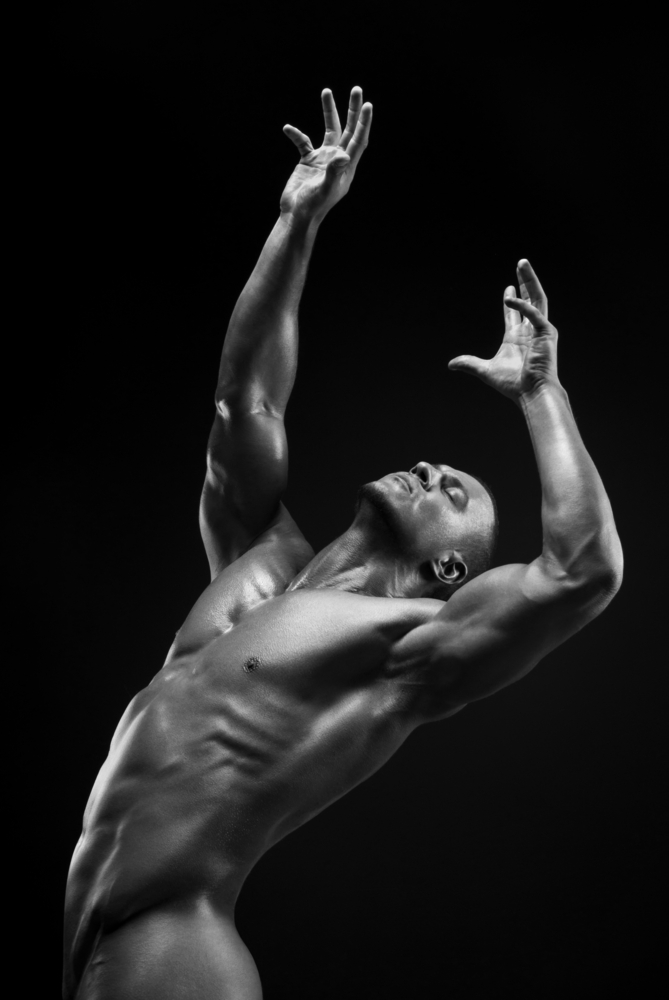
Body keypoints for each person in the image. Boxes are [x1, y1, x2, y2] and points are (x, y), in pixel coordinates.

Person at [63, 86, 623, 1000]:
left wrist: (538, 394)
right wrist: (296, 221)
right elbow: (242, 402)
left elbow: (583, 571)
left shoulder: (401, 647)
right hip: (97, 934)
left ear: (449, 570)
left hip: (178, 942)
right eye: (442, 467)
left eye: (455, 493)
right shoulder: (261, 561)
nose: (433, 468)